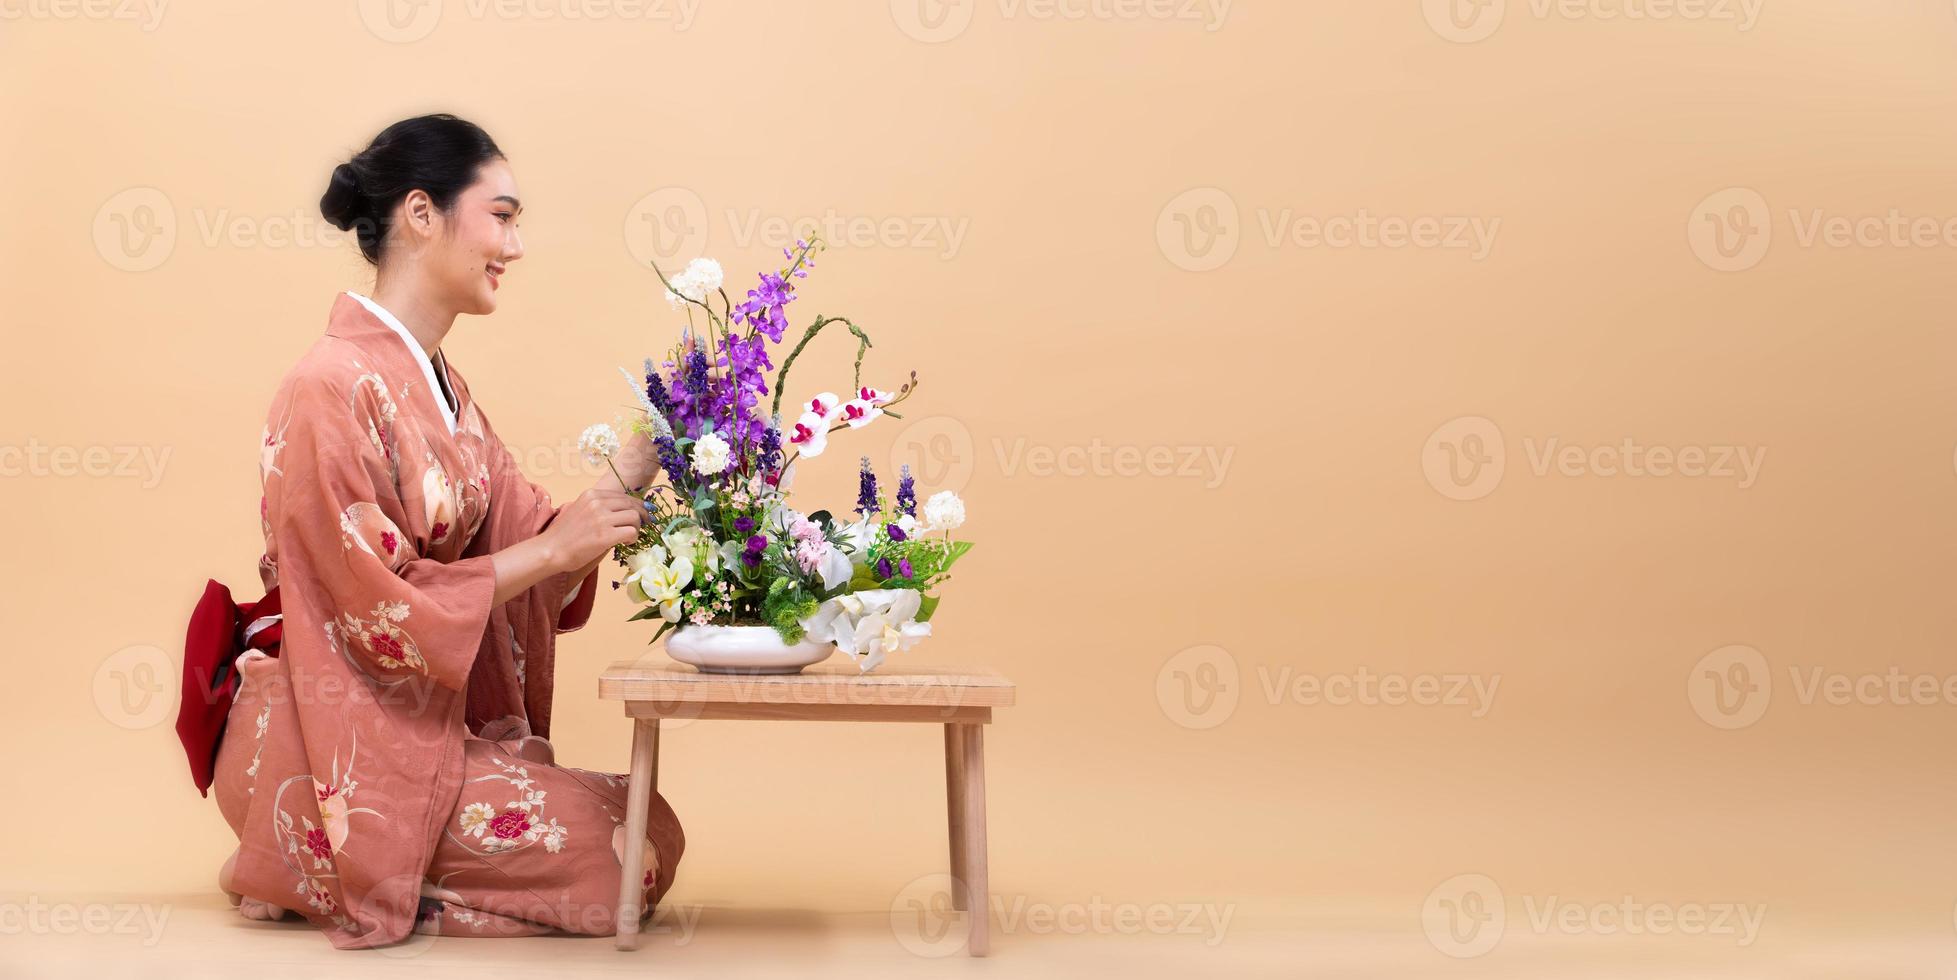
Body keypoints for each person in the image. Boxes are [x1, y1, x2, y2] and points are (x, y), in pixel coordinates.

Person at [207, 113, 683, 946]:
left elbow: (536, 534)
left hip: (418, 730)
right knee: (620, 856)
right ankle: (320, 860)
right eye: (501, 216)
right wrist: (551, 549)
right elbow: (369, 602)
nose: (516, 245)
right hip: (329, 740)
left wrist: (647, 455)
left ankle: (323, 874)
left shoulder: (443, 390)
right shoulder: (328, 386)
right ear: (422, 214)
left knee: (644, 822)